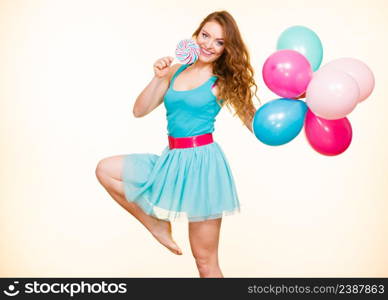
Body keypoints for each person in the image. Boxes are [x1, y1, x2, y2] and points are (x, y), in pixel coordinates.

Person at [95, 10, 260, 278]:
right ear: (196, 35)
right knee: (105, 169)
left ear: (227, 48)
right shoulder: (175, 70)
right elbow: (139, 110)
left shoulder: (223, 81)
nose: (208, 44)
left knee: (205, 261)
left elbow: (254, 123)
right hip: (171, 160)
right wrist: (159, 77)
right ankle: (156, 223)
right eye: (205, 35)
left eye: (219, 41)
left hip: (203, 166)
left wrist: (291, 104)